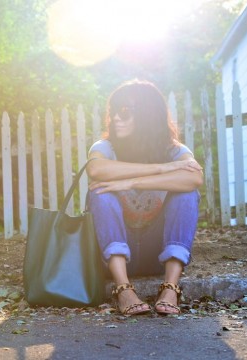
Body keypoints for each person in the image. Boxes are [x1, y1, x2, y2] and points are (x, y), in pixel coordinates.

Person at [86, 80, 203, 316]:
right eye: (114, 112)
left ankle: (171, 287)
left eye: (125, 112)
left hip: (156, 252)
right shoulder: (105, 147)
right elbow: (97, 170)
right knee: (100, 192)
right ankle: (123, 288)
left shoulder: (173, 150)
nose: (115, 118)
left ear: (147, 115)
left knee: (187, 195)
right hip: (113, 252)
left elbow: (194, 178)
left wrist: (132, 182)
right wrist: (161, 169)